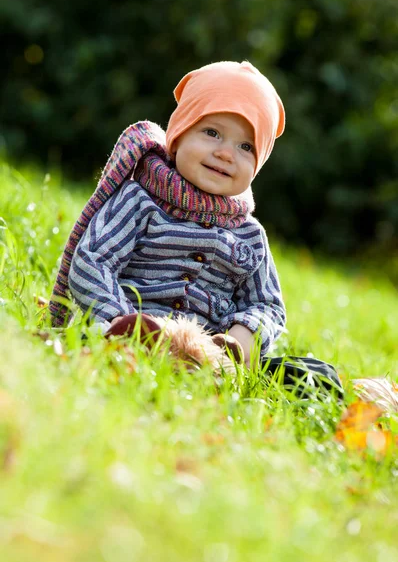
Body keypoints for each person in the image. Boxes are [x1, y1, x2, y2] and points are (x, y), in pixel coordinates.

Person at [50, 60, 343, 396]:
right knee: (103, 341)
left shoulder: (249, 236)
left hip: (211, 354)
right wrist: (116, 318)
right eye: (212, 132)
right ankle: (130, 346)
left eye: (246, 147)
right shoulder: (140, 200)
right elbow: (92, 261)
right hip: (134, 329)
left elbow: (267, 306)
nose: (225, 153)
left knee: (314, 377)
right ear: (178, 136)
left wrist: (239, 340)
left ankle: (217, 371)